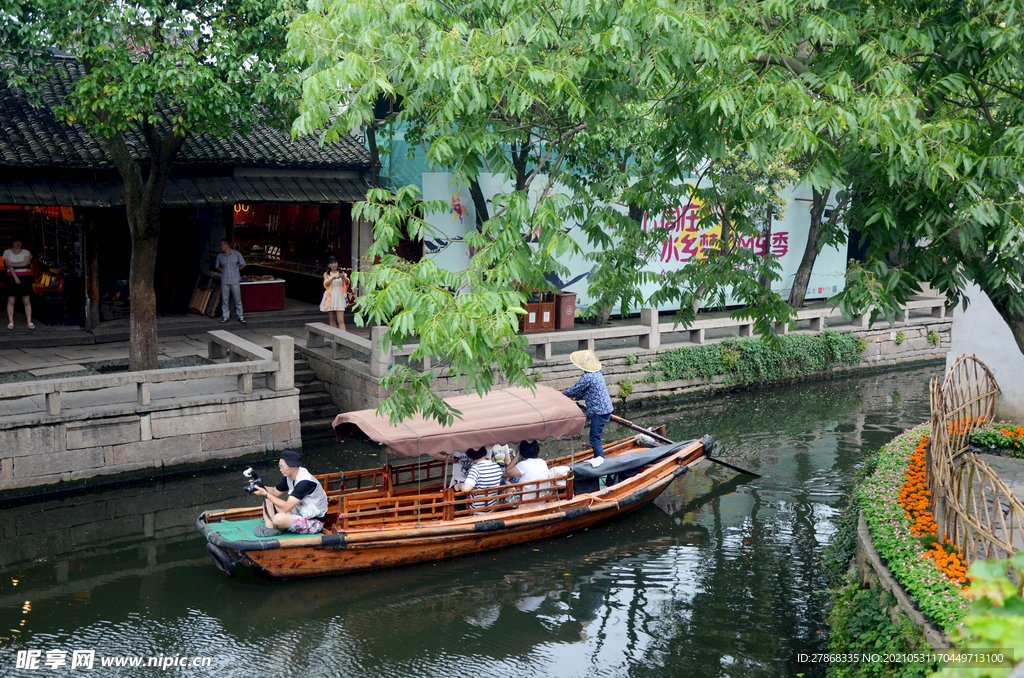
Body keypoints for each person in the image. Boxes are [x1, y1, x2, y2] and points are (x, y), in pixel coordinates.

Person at [251, 450, 328, 537]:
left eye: (282, 466)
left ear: (293, 466)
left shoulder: (305, 482)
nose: (280, 469)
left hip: (313, 522)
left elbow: (287, 507)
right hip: (299, 513)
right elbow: (275, 491)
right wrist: (259, 486)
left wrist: (265, 493)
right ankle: (270, 529)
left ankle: (277, 525)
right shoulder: (290, 477)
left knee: (278, 519)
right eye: (280, 466)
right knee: (268, 500)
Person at [561, 349, 614, 458]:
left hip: (599, 412)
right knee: (595, 438)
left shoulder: (588, 377)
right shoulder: (598, 374)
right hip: (605, 410)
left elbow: (574, 390)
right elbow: (584, 391)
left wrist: (560, 394)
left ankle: (600, 463)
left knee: (595, 439)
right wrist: (576, 397)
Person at [455, 446, 503, 511]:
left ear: (470, 458)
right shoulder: (496, 467)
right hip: (492, 508)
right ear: (485, 452)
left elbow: (465, 488)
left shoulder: (476, 469)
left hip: (477, 510)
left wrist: (459, 486)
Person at [213, 238, 246, 324]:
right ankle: (225, 316)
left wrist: (236, 270)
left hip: (234, 279)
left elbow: (243, 264)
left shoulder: (236, 254)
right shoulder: (220, 256)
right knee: (225, 300)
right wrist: (223, 270)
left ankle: (240, 316)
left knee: (237, 299)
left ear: (226, 245)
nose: (220, 247)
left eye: (221, 245)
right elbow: (217, 267)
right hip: (225, 280)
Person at [3, 238, 33, 330]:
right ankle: (11, 322)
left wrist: (12, 265)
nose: (18, 243)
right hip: (11, 277)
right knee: (11, 301)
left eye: (19, 241)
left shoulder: (26, 252)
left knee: (26, 301)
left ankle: (29, 321)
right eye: (16, 241)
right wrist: (15, 277)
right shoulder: (7, 252)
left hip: (24, 277)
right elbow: (8, 265)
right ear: (12, 242)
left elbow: (25, 264)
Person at [319, 256, 350, 330]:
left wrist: (343, 277)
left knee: (341, 320)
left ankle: (344, 338)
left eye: (335, 262)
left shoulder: (342, 273)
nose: (334, 265)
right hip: (330, 296)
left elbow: (348, 282)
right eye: (332, 263)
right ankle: (334, 336)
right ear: (329, 265)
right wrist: (333, 278)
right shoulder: (326, 274)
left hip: (339, 296)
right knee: (332, 318)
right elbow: (326, 284)